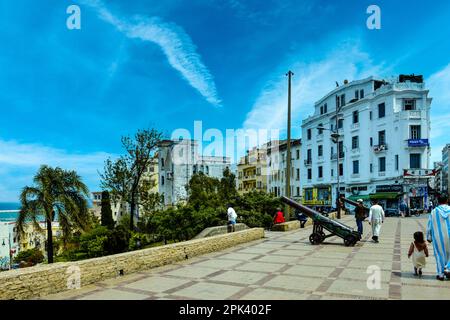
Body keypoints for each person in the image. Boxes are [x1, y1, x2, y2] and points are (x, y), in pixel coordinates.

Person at [426, 193, 450, 281]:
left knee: (439, 255)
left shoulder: (434, 212)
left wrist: (429, 237)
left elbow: (430, 226)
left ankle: (440, 274)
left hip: (438, 238)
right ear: (447, 200)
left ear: (438, 201)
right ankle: (448, 269)